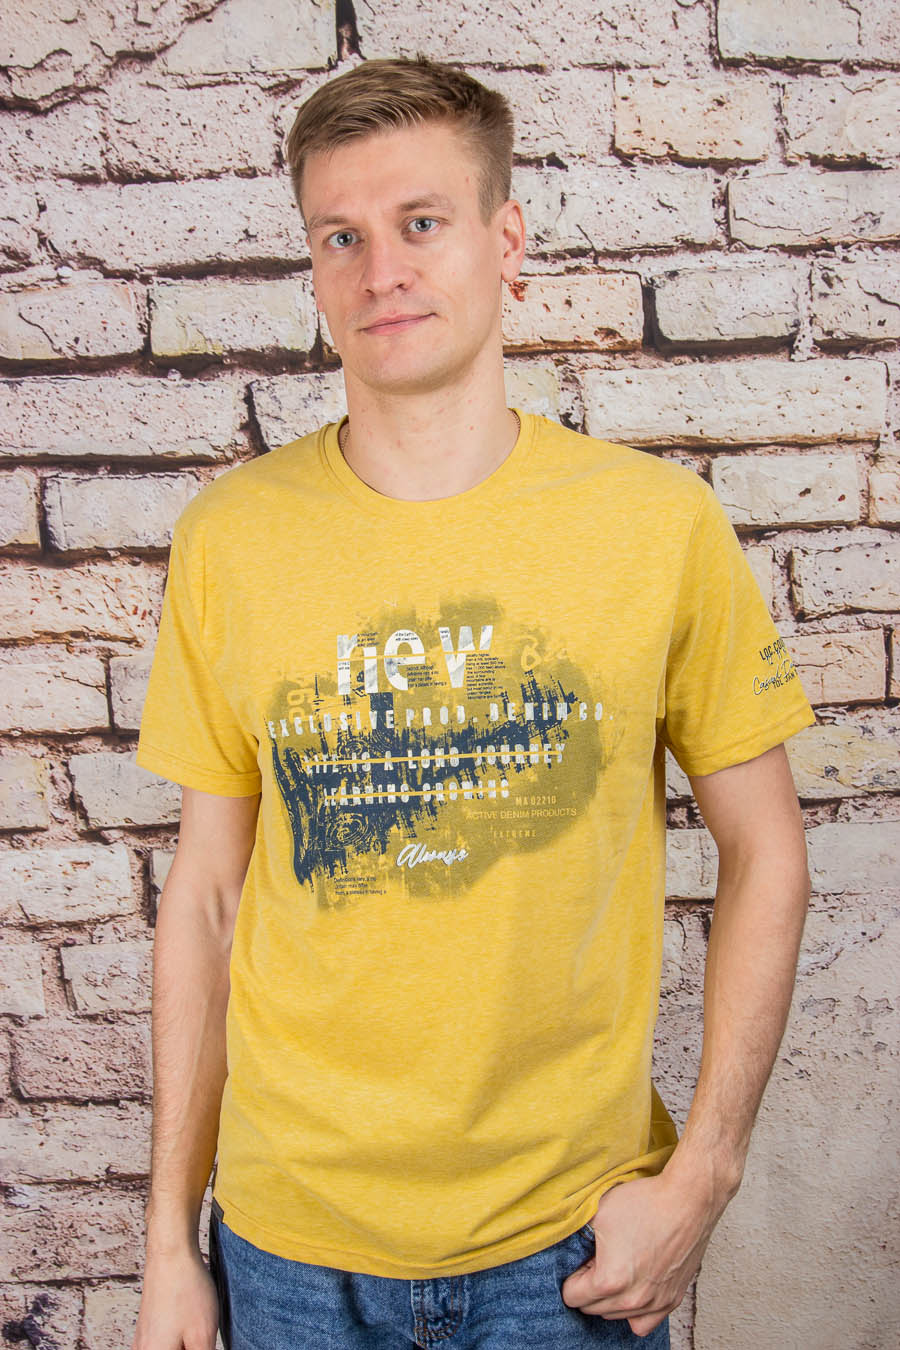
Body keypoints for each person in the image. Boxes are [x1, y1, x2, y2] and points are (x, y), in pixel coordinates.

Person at [131, 55, 816, 1350]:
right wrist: (169, 1237)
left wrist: (706, 1173)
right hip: (289, 1252)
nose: (380, 270)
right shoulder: (230, 538)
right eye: (341, 236)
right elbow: (208, 896)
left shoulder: (654, 526)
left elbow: (768, 848)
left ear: (507, 242)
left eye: (421, 222)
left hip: (567, 1247)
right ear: (313, 268)